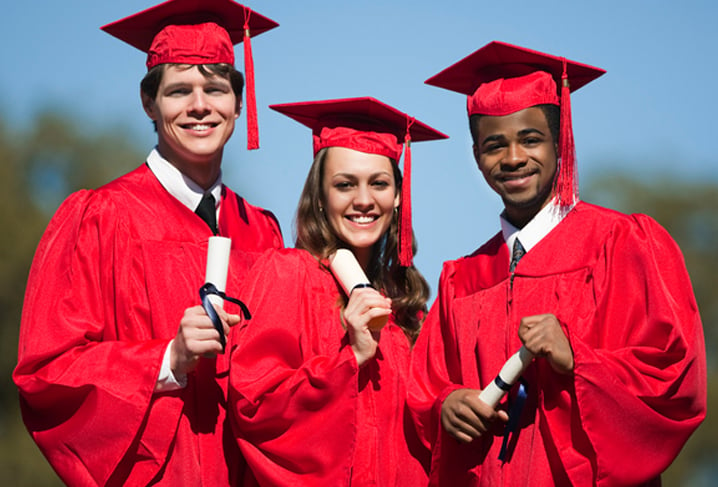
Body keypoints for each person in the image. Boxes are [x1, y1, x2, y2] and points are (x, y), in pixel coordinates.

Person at [408, 41, 707, 486]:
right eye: (494, 145)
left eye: (531, 139)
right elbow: (424, 390)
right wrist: (446, 405)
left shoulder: (620, 243)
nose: (512, 158)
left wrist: (578, 361)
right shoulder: (462, 279)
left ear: (560, 141)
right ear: (476, 156)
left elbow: (674, 378)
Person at [13, 1, 283, 485]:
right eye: (179, 90)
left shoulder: (262, 230)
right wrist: (168, 360)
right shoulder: (100, 216)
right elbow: (48, 372)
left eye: (216, 89)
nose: (200, 106)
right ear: (149, 104)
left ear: (238, 105)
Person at [227, 97, 447, 486]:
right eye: (344, 184)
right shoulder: (286, 274)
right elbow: (255, 405)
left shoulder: (408, 308)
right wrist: (350, 359)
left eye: (379, 183)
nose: (363, 200)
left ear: (398, 196)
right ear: (321, 195)